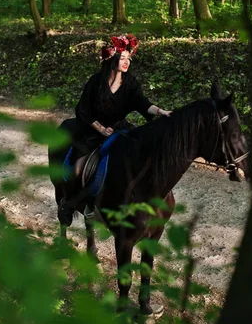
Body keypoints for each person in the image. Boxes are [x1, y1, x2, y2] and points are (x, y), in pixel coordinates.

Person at [58, 34, 172, 225]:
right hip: (91, 131)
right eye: (122, 58)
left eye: (129, 58)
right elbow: (83, 111)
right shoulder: (96, 82)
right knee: (77, 169)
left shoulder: (131, 84)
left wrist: (161, 111)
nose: (126, 62)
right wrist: (101, 129)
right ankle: (68, 204)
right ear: (111, 59)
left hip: (119, 129)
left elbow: (143, 104)